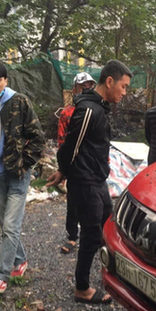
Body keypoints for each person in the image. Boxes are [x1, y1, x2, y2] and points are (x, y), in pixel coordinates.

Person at [46, 60, 132, 304]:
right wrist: (63, 171)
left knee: (107, 222)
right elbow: (70, 146)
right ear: (109, 82)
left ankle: (111, 269)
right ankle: (82, 288)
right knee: (92, 234)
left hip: (97, 178)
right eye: (123, 87)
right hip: (85, 182)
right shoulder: (89, 111)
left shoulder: (100, 107)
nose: (124, 93)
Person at [0, 60, 45, 294]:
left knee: (11, 226)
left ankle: (2, 275)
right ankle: (20, 260)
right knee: (5, 224)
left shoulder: (19, 102)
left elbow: (38, 138)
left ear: (6, 80)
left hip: (17, 175)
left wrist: (25, 164)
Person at [57, 72, 96, 254]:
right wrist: (63, 169)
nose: (87, 90)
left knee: (95, 203)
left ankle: (95, 237)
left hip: (92, 165)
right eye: (83, 87)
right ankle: (72, 236)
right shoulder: (67, 113)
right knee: (73, 203)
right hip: (74, 165)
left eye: (89, 86)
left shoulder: (97, 110)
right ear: (74, 90)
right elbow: (62, 140)